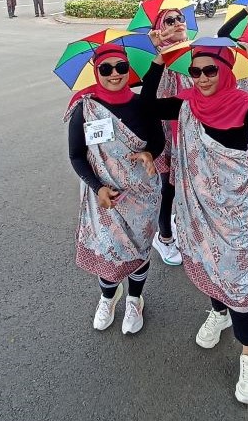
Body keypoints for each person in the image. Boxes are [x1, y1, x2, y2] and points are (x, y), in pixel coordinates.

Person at [141, 41, 248, 405]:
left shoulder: (244, 105)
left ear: (226, 71)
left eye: (210, 70)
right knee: (205, 261)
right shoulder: (187, 104)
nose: (201, 78)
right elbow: (148, 103)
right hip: (196, 206)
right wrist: (158, 59)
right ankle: (218, 312)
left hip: (234, 211)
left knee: (235, 276)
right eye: (195, 71)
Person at [65, 44, 165, 335]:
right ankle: (108, 298)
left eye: (121, 67)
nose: (114, 74)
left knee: (139, 250)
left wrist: (150, 154)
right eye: (105, 69)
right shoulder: (85, 109)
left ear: (128, 70)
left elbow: (158, 142)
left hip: (142, 196)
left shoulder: (143, 104)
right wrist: (97, 188)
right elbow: (76, 155)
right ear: (96, 72)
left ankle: (135, 298)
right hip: (104, 198)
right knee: (108, 251)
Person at [143, 9, 192, 267]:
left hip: (190, 133)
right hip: (166, 134)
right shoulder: (159, 57)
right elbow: (149, 95)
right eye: (169, 21)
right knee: (168, 188)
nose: (176, 24)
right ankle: (164, 237)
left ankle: (177, 226)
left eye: (180, 18)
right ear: (160, 29)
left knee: (186, 187)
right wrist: (158, 51)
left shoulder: (194, 52)